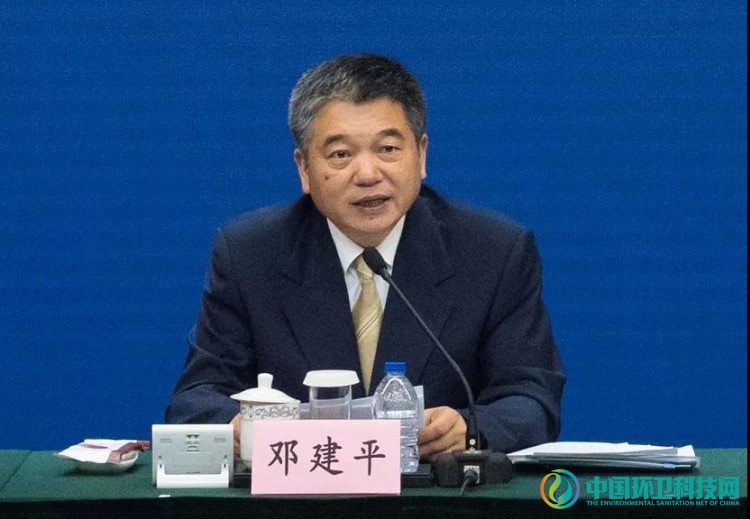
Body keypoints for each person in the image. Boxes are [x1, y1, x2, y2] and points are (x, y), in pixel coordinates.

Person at [165, 53, 565, 458]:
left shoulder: (492, 252)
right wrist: (236, 429)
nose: (368, 174)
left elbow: (531, 400)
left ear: (421, 154)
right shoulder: (251, 255)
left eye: (388, 148)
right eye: (341, 154)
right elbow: (197, 400)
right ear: (304, 168)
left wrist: (471, 429)